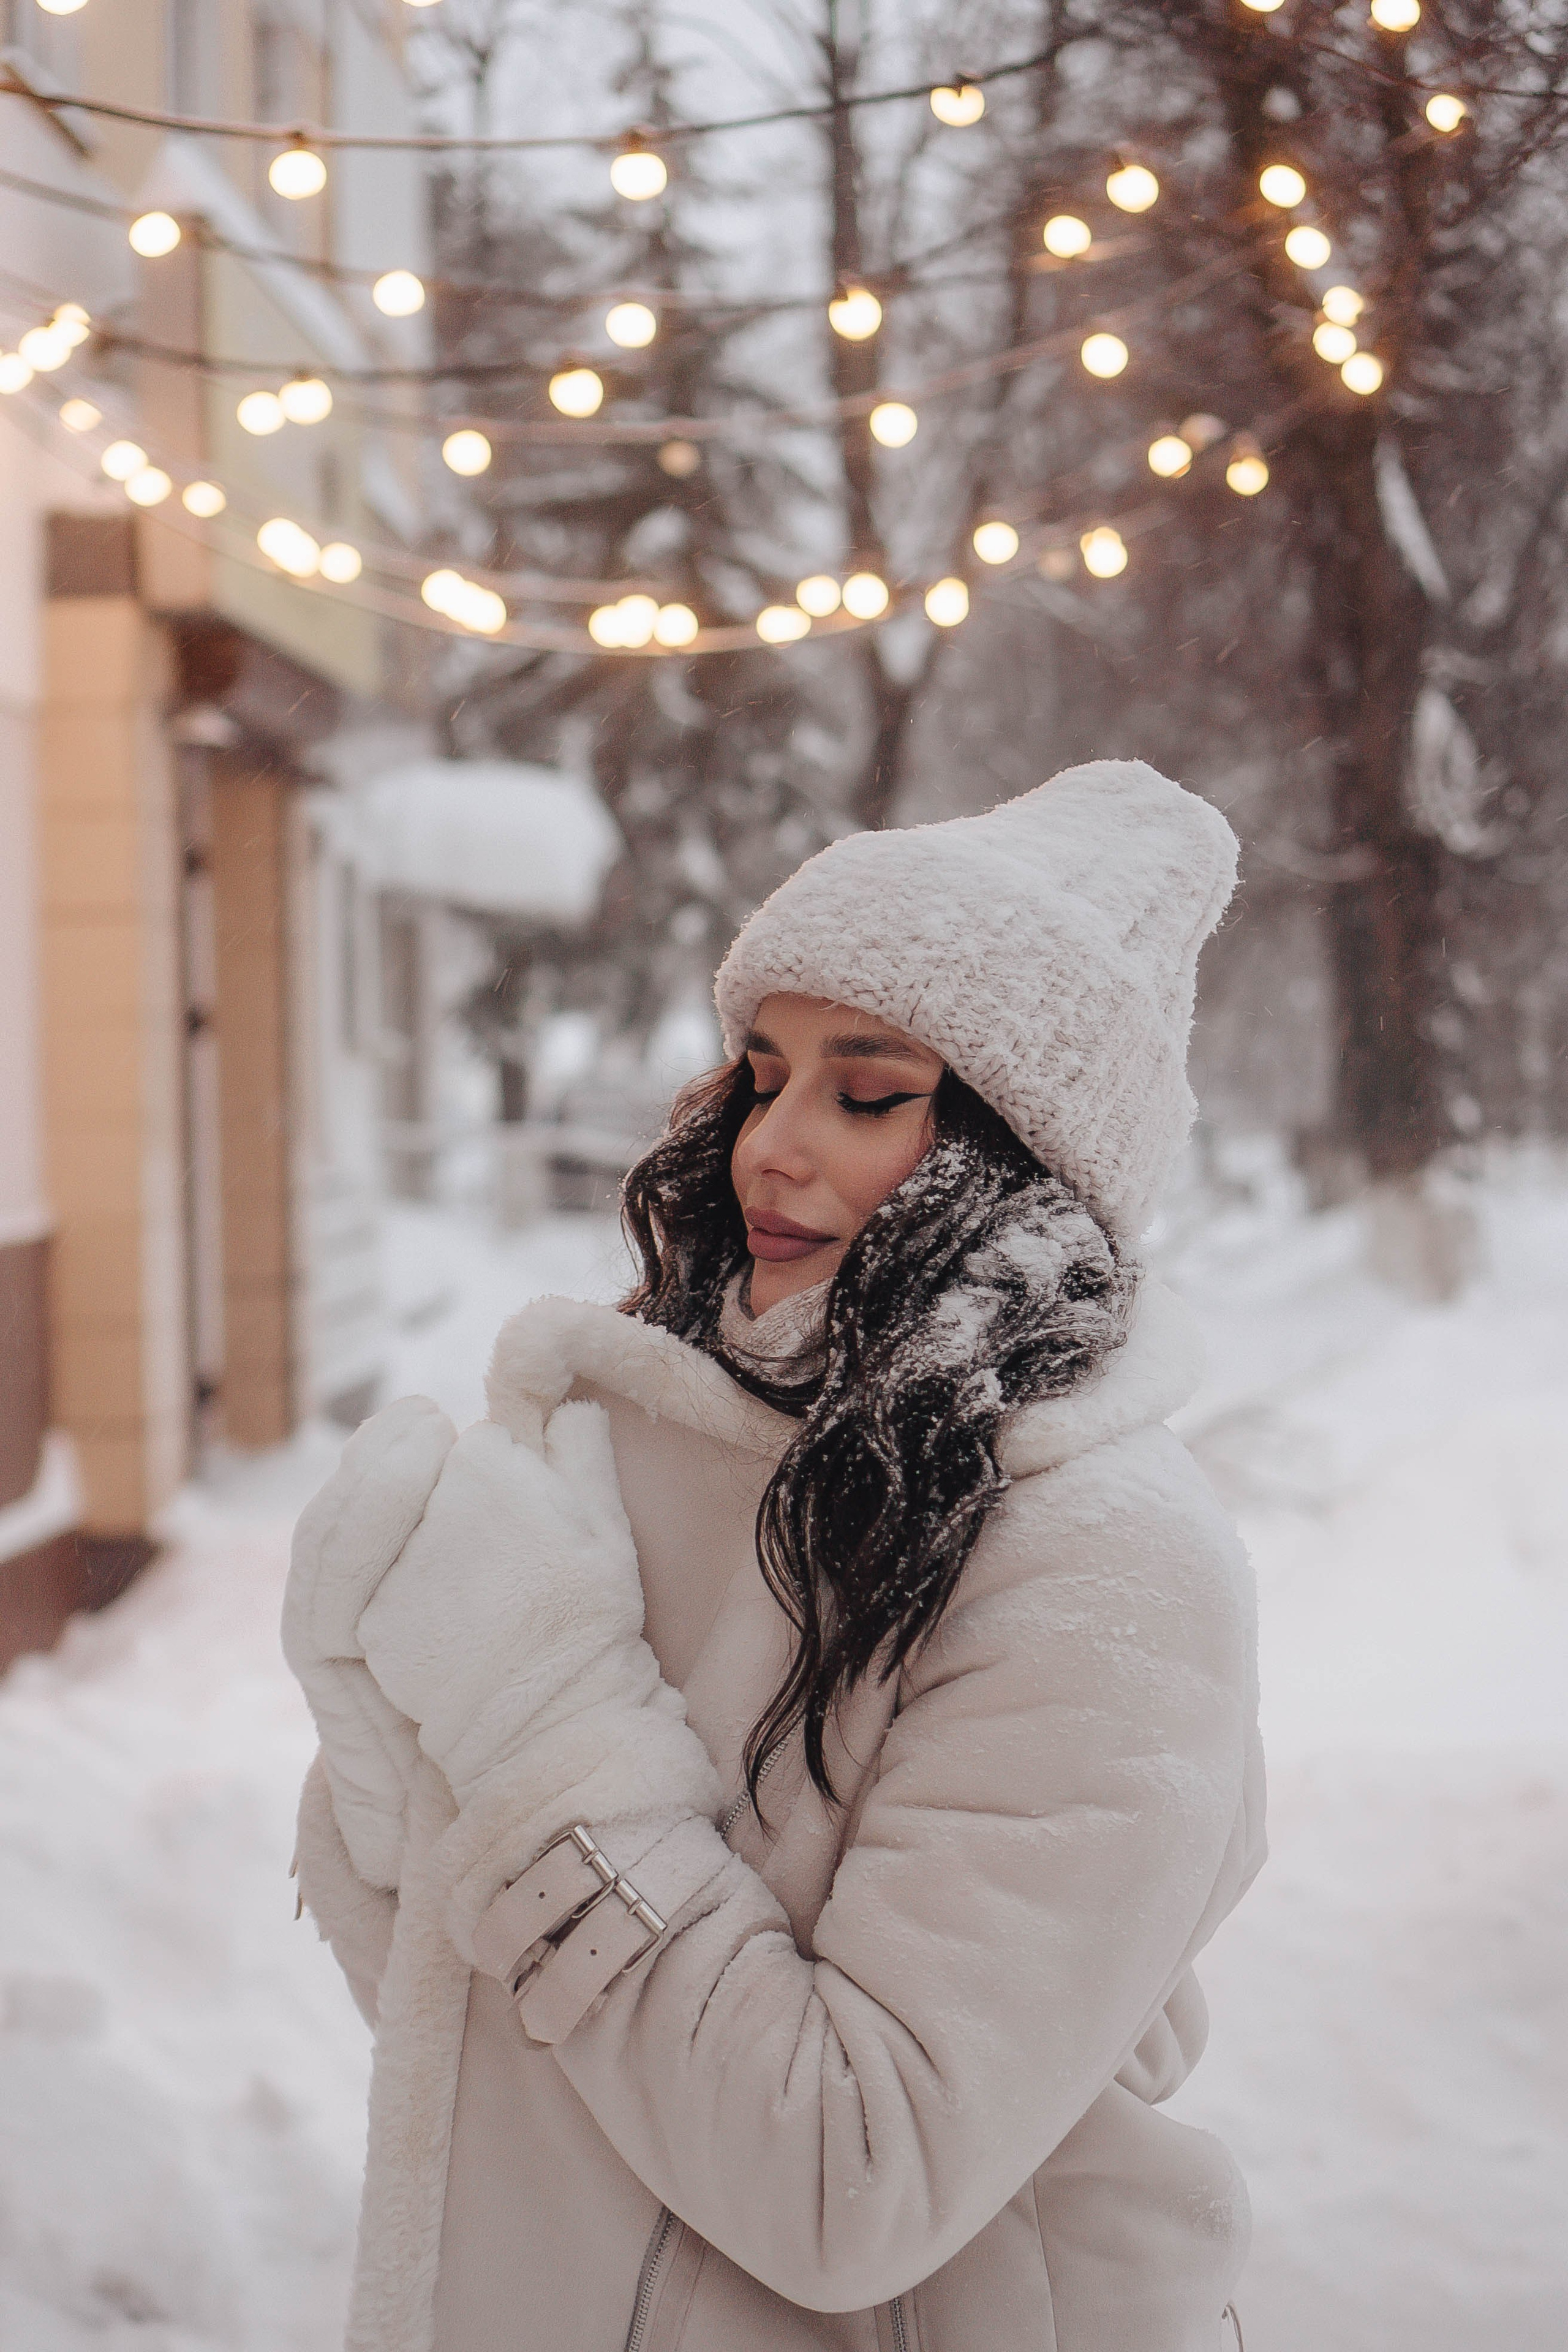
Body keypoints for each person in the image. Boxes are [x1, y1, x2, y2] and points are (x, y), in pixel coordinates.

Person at [284, 760, 1265, 2352]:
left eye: (866, 1093)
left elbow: (850, 2178)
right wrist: (399, 1774)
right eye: (762, 1074)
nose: (770, 1147)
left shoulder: (1106, 1566)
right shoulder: (668, 1434)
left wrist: (541, 1737)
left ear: (1019, 1155)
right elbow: (520, 2047)